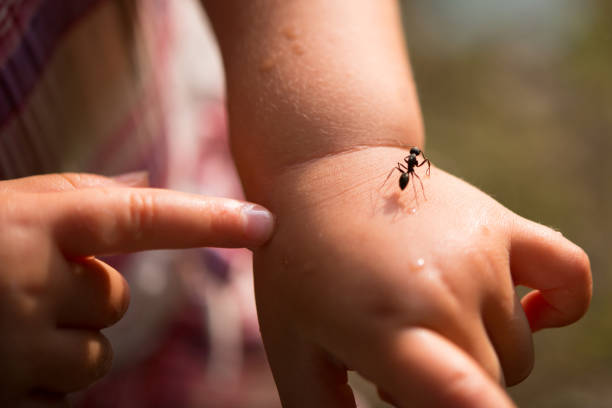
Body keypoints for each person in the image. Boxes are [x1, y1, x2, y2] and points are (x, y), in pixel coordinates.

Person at [0, 1, 592, 407]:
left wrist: (340, 151)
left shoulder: (402, 169)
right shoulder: (411, 172)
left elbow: (408, 167)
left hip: (195, 286)